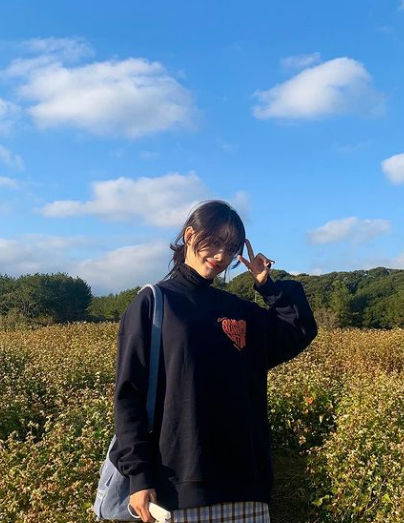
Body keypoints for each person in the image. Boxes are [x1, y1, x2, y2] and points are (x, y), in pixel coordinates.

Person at [110, 200, 318, 523]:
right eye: (215, 241)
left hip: (246, 487)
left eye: (231, 248)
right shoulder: (154, 303)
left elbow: (297, 330)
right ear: (190, 235)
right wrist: (139, 476)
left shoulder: (237, 310)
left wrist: (267, 285)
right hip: (176, 490)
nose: (221, 256)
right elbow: (129, 396)